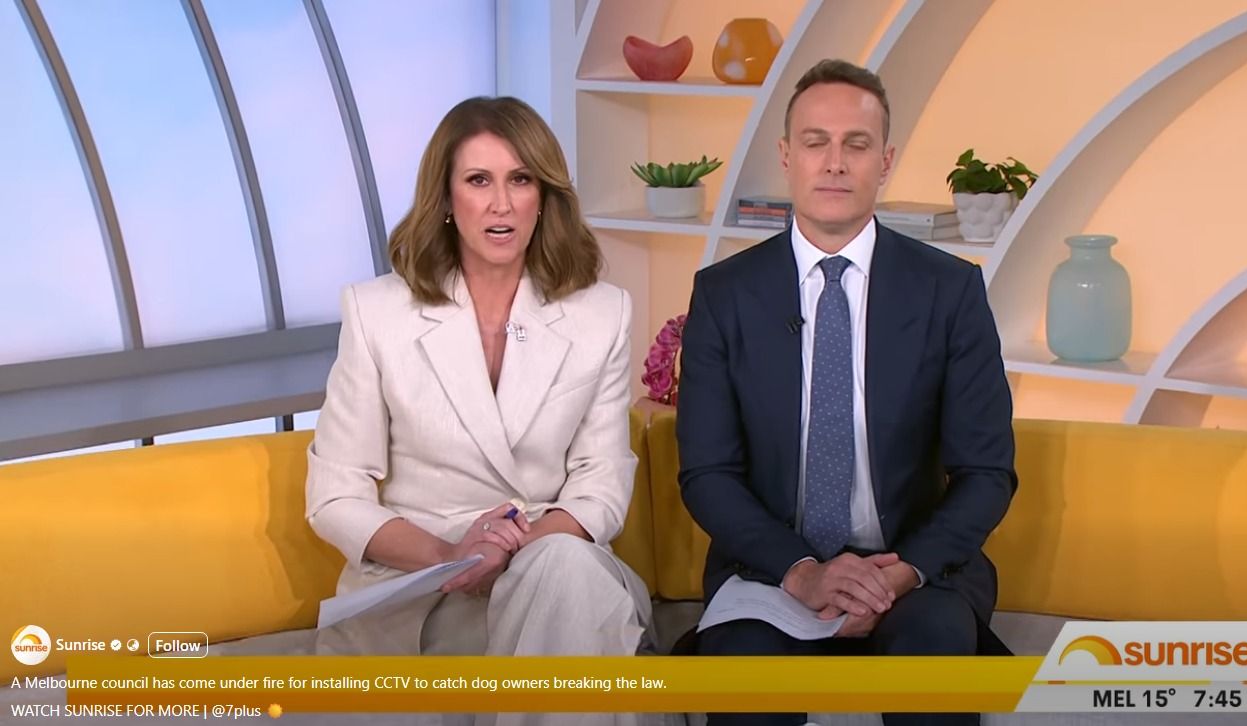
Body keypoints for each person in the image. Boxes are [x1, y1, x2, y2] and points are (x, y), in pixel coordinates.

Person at [676, 59, 1018, 726]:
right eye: (816, 142)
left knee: (933, 664)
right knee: (743, 679)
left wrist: (902, 572)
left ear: (884, 162)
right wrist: (802, 570)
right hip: (771, 570)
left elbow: (986, 473)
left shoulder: (948, 291)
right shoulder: (724, 295)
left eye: (855, 145)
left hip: (910, 570)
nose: (834, 163)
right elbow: (707, 474)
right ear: (786, 156)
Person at [304, 96, 651, 726]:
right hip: (423, 581)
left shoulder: (603, 313)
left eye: (520, 180)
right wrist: (453, 557)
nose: (501, 204)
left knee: (567, 576)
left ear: (543, 197)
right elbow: (335, 496)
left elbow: (602, 479)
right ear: (445, 197)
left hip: (547, 561)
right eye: (478, 181)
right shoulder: (377, 312)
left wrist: (511, 555)